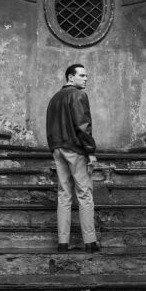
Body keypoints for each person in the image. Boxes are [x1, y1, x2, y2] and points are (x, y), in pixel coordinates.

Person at [46, 63, 99, 253]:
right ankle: (90, 242)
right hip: (75, 149)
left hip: (57, 149)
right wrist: (90, 151)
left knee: (64, 195)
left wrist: (54, 147)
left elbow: (50, 127)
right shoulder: (79, 95)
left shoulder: (54, 99)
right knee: (84, 194)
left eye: (86, 76)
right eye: (82, 75)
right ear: (70, 78)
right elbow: (83, 125)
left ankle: (62, 243)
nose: (86, 79)